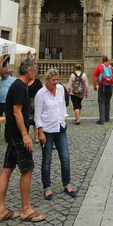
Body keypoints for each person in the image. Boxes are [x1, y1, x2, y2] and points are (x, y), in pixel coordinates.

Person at [0, 59, 45, 224]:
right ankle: (25, 209)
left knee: (7, 169)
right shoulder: (20, 87)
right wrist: (25, 135)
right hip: (17, 134)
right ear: (29, 71)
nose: (35, 73)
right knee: (27, 169)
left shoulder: (17, 85)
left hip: (11, 133)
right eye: (34, 70)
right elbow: (17, 112)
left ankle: (0, 210)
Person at [35, 69, 77, 200]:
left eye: (57, 79)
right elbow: (37, 116)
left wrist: (64, 117)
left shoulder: (60, 89)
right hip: (47, 131)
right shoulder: (40, 94)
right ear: (47, 80)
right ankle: (47, 188)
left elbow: (63, 105)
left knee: (65, 158)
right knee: (47, 160)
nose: (56, 82)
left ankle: (67, 184)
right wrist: (40, 132)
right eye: (53, 80)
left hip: (60, 128)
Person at [0, 67, 15, 142]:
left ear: (7, 73)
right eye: (0, 74)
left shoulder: (13, 80)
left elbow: (15, 92)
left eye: (2, 74)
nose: (1, 75)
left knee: (8, 119)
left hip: (8, 103)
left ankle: (8, 135)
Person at [92, 56, 113, 125]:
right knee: (107, 102)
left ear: (102, 60)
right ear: (107, 60)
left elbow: (94, 76)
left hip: (102, 86)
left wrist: (94, 85)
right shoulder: (111, 67)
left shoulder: (99, 67)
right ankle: (107, 118)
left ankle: (102, 119)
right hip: (110, 86)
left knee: (101, 102)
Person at [28, 74, 43, 143]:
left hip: (35, 102)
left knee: (35, 119)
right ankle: (25, 135)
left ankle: (36, 136)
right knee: (26, 119)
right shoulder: (24, 81)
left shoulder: (37, 81)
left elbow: (41, 92)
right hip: (26, 102)